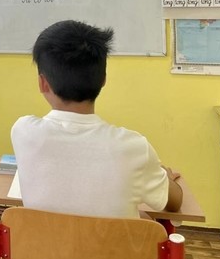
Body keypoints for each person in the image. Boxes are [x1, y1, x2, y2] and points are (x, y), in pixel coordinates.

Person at [11, 19, 183, 219]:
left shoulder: (23, 131)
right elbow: (173, 203)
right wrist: (166, 178)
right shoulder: (133, 148)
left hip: (43, 250)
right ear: (103, 79)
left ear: (43, 83)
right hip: (113, 251)